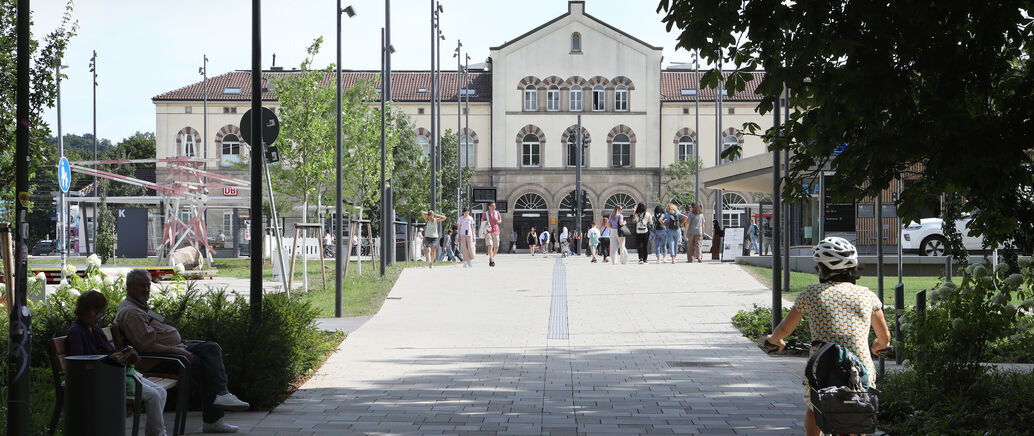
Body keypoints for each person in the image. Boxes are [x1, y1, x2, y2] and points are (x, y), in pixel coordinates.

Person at [764, 237, 891, 436]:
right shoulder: (867, 296)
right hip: (859, 366)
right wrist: (878, 345)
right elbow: (884, 336)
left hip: (822, 365)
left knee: (815, 406)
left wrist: (775, 340)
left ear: (821, 269)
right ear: (854, 268)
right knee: (858, 409)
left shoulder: (811, 294)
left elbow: (785, 329)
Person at [116, 269, 249, 433]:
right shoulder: (131, 312)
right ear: (129, 287)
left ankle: (222, 395)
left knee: (211, 348)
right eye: (141, 285)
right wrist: (177, 350)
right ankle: (213, 417)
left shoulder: (140, 307)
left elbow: (163, 327)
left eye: (148, 285)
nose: (146, 289)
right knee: (202, 365)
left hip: (172, 350)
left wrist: (178, 345)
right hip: (155, 359)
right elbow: (146, 346)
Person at [68, 290, 168, 436]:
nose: (99, 318)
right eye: (99, 314)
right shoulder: (76, 332)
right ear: (90, 311)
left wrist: (122, 354)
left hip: (114, 374)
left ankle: (156, 433)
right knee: (153, 396)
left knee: (161, 392)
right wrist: (109, 359)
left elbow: (109, 351)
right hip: (101, 379)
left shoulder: (94, 329)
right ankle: (159, 434)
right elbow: (80, 362)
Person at [482, 202, 503, 267]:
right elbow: (482, 221)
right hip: (488, 231)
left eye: (494, 206)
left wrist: (498, 221)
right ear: (489, 207)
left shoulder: (497, 213)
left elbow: (500, 220)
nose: (494, 207)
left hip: (496, 231)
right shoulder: (485, 214)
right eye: (492, 206)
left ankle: (491, 258)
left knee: (496, 247)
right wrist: (486, 222)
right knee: (490, 246)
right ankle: (492, 261)